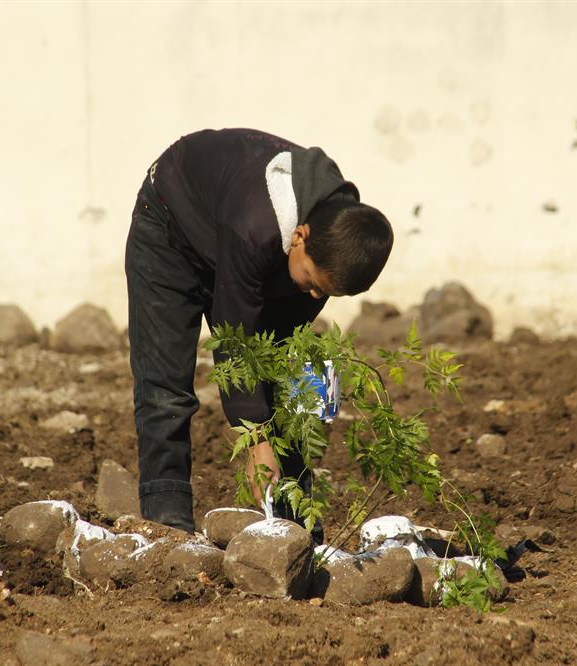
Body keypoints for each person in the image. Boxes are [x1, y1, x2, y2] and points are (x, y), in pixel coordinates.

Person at [124, 128, 394, 534]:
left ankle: (292, 518)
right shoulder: (255, 226)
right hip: (170, 224)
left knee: (286, 381)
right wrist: (255, 442)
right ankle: (167, 520)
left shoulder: (339, 234)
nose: (316, 295)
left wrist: (310, 395)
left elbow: (283, 339)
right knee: (167, 389)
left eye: (326, 292)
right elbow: (236, 341)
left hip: (246, 246)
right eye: (312, 282)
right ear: (299, 236)